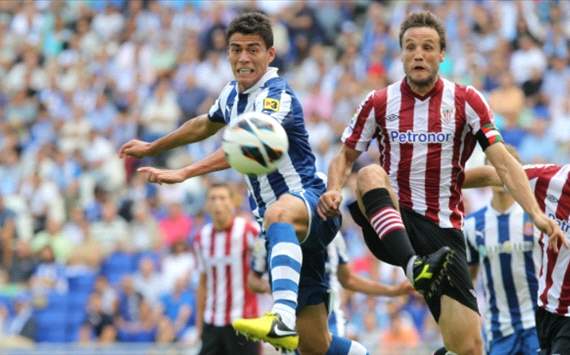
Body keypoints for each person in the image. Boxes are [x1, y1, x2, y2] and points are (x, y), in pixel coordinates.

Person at [317, 11, 564, 355]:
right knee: (370, 174)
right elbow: (344, 156)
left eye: (428, 47)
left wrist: (536, 214)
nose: (418, 54)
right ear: (401, 53)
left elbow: (503, 161)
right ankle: (412, 265)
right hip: (393, 220)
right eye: (410, 47)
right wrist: (332, 187)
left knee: (469, 349)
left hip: (443, 232)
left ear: (442, 54)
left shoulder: (466, 101)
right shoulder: (378, 101)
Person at [119, 12, 367, 354]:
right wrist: (153, 147)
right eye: (236, 49)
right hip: (282, 230)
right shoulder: (232, 95)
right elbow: (204, 124)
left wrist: (185, 172)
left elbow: (248, 148)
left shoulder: (275, 96)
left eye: (253, 49)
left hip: (310, 204)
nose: (243, 58)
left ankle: (279, 317)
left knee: (278, 212)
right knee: (315, 346)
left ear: (270, 54)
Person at [464, 161, 570, 355]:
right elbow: (493, 174)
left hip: (537, 320)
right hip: (541, 314)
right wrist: (438, 182)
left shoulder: (527, 216)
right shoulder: (547, 182)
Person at [247, 232, 413, 338]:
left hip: (331, 321)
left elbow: (348, 279)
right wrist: (282, 289)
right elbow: (253, 280)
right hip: (291, 324)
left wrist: (393, 291)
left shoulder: (332, 233)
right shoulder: (267, 236)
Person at [463, 147, 540, 354]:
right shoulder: (472, 225)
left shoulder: (534, 218)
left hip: (537, 324)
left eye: (508, 167)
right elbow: (469, 279)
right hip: (498, 328)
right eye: (495, 167)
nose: (501, 173)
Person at [193, 183, 260, 355]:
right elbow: (202, 283)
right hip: (212, 322)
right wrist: (199, 324)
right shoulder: (202, 238)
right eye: (213, 198)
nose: (217, 203)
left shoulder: (248, 231)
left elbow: (263, 268)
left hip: (243, 321)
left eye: (222, 198)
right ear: (207, 205)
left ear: (233, 202)